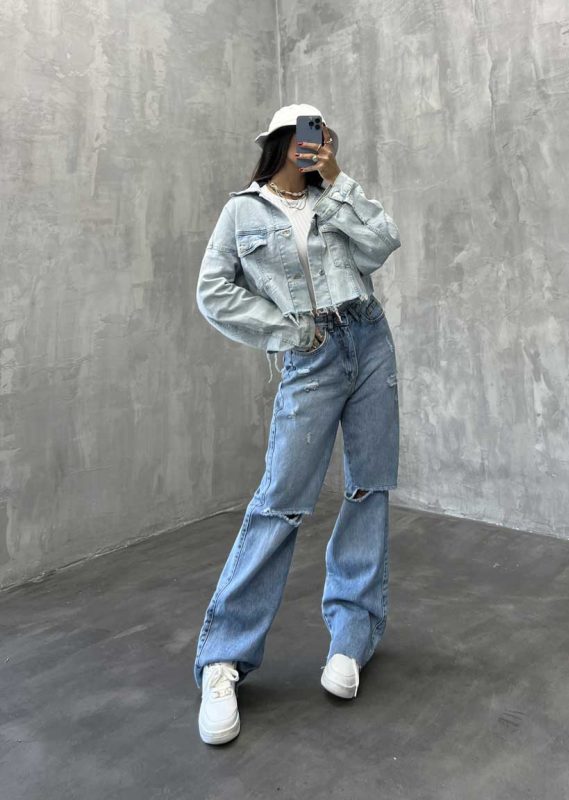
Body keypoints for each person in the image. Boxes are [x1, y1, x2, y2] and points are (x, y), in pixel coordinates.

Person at [194, 103, 401, 745]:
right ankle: (223, 660)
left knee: (368, 487)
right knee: (280, 502)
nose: (318, 143)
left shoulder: (333, 195)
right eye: (309, 135)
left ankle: (352, 636)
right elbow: (214, 290)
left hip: (368, 339)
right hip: (310, 355)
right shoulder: (242, 212)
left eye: (325, 135)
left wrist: (337, 179)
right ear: (284, 141)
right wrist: (284, 332)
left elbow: (382, 242)